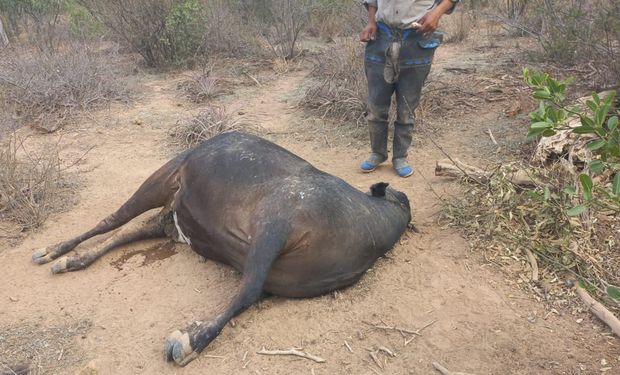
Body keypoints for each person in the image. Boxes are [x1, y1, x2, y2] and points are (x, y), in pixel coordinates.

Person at [359, 0, 459, 177]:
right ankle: (377, 153)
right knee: (375, 107)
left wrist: (436, 13)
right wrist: (371, 21)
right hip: (381, 38)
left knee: (406, 109)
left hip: (416, 39)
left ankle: (400, 157)